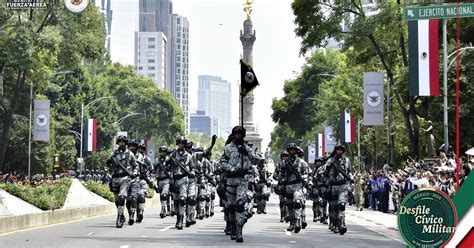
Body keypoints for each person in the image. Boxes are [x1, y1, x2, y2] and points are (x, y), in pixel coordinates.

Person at [220, 126, 262, 242]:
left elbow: (256, 161)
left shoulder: (247, 148)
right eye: (236, 134)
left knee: (240, 204)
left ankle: (239, 231)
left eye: (240, 134)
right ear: (233, 135)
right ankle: (232, 226)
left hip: (243, 180)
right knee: (232, 207)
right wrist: (232, 169)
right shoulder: (227, 148)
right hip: (231, 180)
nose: (238, 136)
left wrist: (247, 153)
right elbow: (222, 162)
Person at [106, 135, 138, 228]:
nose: (121, 143)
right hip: (115, 178)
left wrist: (134, 173)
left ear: (126, 143)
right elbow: (109, 164)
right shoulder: (114, 153)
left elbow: (135, 165)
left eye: (123, 142)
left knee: (122, 196)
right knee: (117, 200)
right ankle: (122, 216)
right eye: (120, 141)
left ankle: (119, 217)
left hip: (125, 178)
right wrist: (109, 162)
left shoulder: (130, 154)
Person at [281, 143, 311, 234]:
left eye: (294, 150)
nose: (292, 151)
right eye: (290, 150)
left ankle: (297, 221)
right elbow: (281, 175)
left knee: (297, 202)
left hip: (298, 185)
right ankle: (292, 223)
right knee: (289, 205)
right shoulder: (284, 162)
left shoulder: (301, 162)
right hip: (288, 185)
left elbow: (306, 173)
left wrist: (305, 181)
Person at [325, 144, 353, 235]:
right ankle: (335, 224)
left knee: (341, 204)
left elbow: (349, 172)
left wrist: (350, 180)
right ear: (335, 151)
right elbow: (325, 173)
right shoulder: (330, 161)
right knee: (334, 207)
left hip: (343, 185)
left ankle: (342, 223)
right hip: (333, 186)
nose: (339, 151)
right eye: (338, 149)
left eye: (341, 150)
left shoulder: (346, 161)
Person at [169, 136, 193, 230]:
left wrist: (191, 173)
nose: (181, 145)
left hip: (184, 179)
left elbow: (193, 168)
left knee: (183, 199)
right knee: (176, 200)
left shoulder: (189, 156)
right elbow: (168, 166)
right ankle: (178, 217)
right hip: (174, 179)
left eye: (182, 143)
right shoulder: (173, 155)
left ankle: (181, 220)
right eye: (179, 143)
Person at [154, 146, 172, 218]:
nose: (162, 153)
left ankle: (163, 209)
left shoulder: (169, 160)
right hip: (159, 180)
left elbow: (172, 169)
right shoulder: (157, 160)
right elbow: (153, 169)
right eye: (161, 151)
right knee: (161, 196)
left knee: (164, 195)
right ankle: (164, 208)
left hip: (166, 179)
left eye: (164, 152)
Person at [274, 151, 289, 223]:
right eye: (283, 156)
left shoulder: (290, 165)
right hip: (280, 185)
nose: (285, 158)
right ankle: (282, 216)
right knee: (282, 201)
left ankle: (287, 215)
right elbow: (274, 175)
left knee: (288, 201)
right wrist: (278, 177)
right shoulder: (278, 165)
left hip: (288, 185)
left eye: (286, 156)